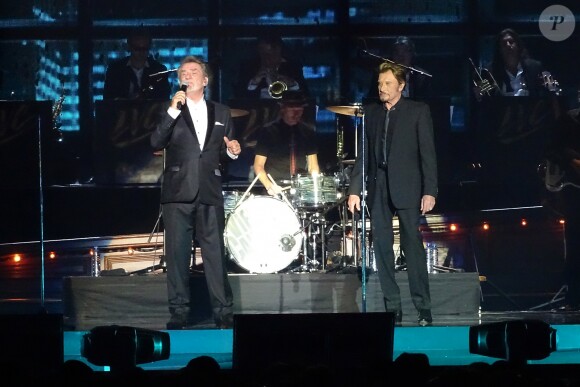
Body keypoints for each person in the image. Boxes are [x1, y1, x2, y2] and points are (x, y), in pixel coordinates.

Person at [150, 55, 242, 330]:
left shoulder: (222, 112)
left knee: (214, 253)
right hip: (178, 190)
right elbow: (155, 141)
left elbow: (223, 152)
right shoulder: (170, 110)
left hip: (209, 189)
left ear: (205, 80)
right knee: (177, 254)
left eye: (193, 72)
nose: (187, 76)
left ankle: (223, 311)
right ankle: (179, 310)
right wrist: (172, 111)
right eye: (183, 72)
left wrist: (232, 151)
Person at [347, 62, 438, 326]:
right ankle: (393, 307)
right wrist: (354, 190)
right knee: (382, 247)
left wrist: (429, 190)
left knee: (412, 247)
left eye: (387, 83)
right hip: (380, 184)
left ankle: (423, 308)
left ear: (401, 85)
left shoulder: (417, 111)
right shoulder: (372, 113)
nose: (382, 88)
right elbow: (363, 154)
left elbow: (428, 153)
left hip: (408, 185)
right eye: (379, 83)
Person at [542, 108, 580, 311]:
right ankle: (574, 297)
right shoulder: (569, 119)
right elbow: (552, 149)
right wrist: (572, 161)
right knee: (575, 243)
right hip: (574, 189)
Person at [253, 90, 320, 194]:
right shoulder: (268, 132)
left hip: (300, 188)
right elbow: (258, 165)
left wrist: (313, 186)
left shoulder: (307, 132)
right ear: (282, 109)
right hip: (274, 186)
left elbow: (313, 166)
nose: (296, 113)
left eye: (299, 109)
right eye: (292, 109)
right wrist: (269, 186)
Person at [234, 35, 309, 100]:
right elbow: (239, 97)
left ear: (279, 50)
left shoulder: (293, 67)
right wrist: (254, 82)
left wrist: (291, 84)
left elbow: (305, 95)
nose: (267, 58)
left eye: (271, 53)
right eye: (263, 53)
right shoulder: (248, 67)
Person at [103, 28, 171, 100]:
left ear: (149, 47)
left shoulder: (158, 69)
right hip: (121, 111)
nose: (141, 52)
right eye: (137, 48)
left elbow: (164, 98)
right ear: (129, 47)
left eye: (144, 48)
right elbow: (108, 99)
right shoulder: (115, 70)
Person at [484, 28, 547, 97]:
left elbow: (546, 93)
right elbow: (485, 98)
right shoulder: (490, 72)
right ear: (499, 50)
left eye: (511, 42)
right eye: (504, 44)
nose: (508, 45)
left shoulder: (535, 67)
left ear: (518, 46)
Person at [367, 36, 432, 101]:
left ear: (412, 54)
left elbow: (427, 101)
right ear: (392, 55)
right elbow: (373, 99)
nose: (400, 56)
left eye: (405, 51)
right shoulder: (381, 74)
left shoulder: (422, 76)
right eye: (397, 52)